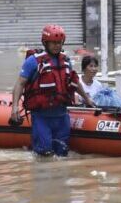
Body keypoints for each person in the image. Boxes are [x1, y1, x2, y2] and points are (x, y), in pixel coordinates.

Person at [10, 24, 95, 157]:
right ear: (45, 42)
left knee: (62, 154)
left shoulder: (66, 61)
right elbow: (20, 84)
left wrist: (87, 99)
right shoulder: (33, 61)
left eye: (59, 43)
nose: (56, 46)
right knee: (44, 154)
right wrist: (14, 107)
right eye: (53, 43)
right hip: (41, 117)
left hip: (62, 116)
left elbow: (75, 82)